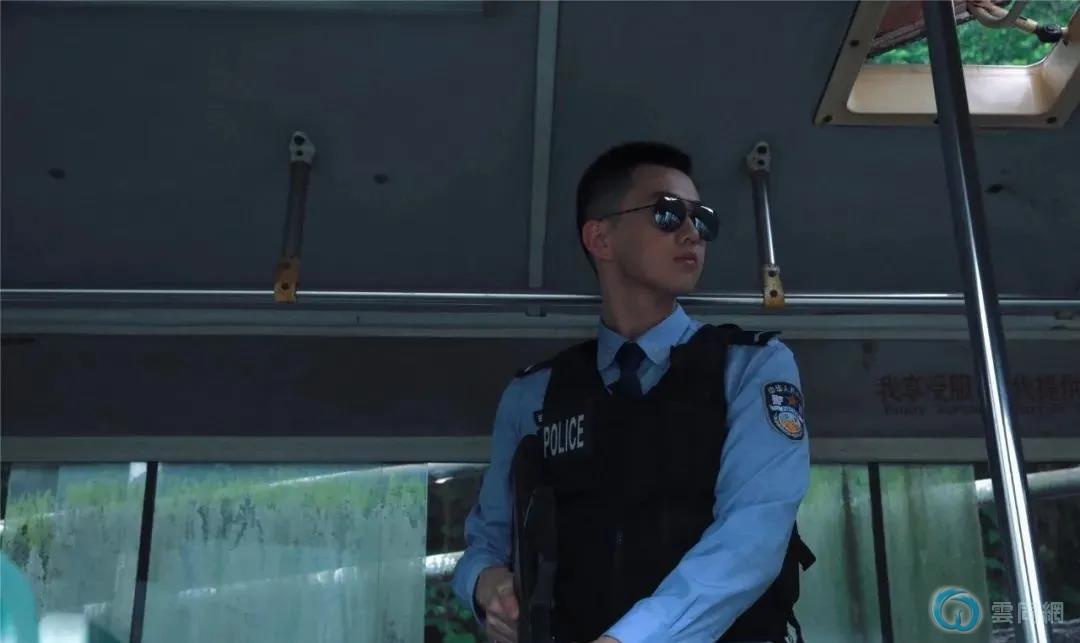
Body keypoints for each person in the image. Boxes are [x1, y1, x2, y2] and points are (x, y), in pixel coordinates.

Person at [451, 142, 813, 643]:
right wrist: (486, 586)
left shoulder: (751, 367)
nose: (692, 233)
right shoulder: (533, 394)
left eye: (702, 219)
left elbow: (753, 537)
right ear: (600, 237)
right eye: (667, 214)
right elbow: (486, 543)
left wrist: (629, 639)